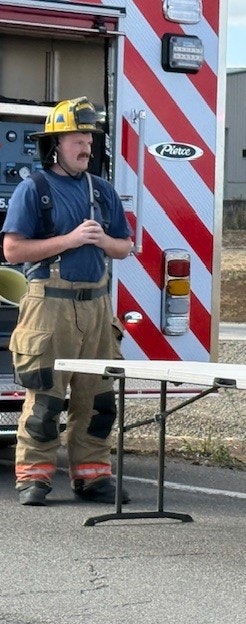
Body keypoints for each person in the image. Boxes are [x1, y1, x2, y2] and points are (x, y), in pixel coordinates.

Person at [1, 96, 133, 507]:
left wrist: (103, 241)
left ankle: (92, 477)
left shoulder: (103, 190)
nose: (86, 147)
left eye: (90, 140)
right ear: (55, 144)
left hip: (96, 307)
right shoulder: (33, 189)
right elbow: (12, 251)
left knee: (97, 401)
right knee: (46, 399)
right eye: (77, 139)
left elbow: (124, 247)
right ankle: (34, 479)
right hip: (49, 306)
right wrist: (71, 240)